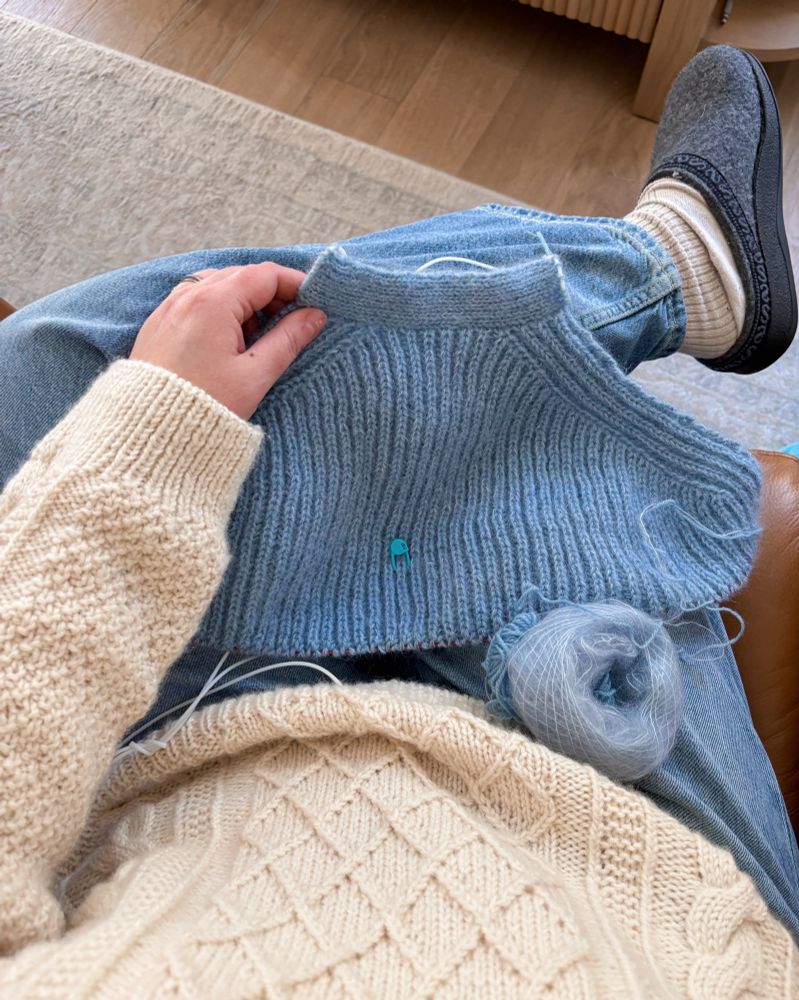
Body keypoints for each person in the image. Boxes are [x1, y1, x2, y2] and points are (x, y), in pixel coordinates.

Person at [0, 44, 797, 996]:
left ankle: (671, 270)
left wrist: (155, 437)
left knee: (57, 360)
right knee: (414, 399)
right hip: (617, 803)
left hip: (173, 758)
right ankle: (668, 267)